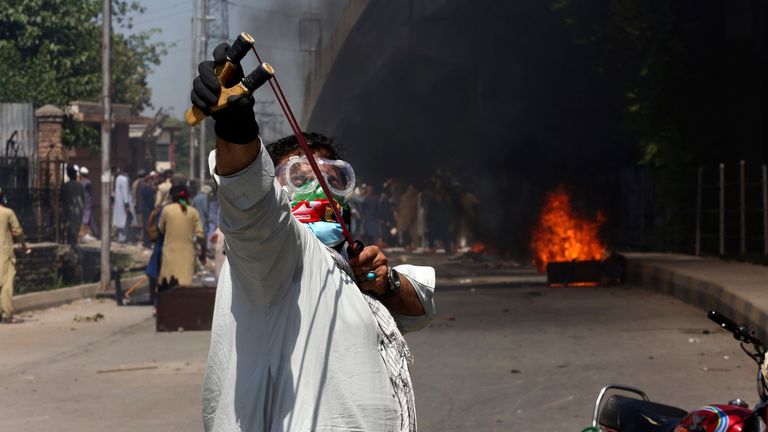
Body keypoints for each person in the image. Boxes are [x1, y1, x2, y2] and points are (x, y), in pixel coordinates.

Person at [191, 43, 436, 431]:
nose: (320, 190)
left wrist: (384, 283)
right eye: (299, 179)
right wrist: (235, 128)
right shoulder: (278, 254)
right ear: (279, 192)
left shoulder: (345, 268)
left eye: (332, 179)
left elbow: (420, 306)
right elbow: (251, 205)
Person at [157, 185, 206, 287]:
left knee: (168, 287)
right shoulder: (193, 212)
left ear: (171, 197)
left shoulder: (166, 210)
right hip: (187, 256)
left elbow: (160, 230)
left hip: (169, 254)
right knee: (184, 287)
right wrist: (203, 253)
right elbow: (201, 236)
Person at [0, 187, 28, 324]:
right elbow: (18, 231)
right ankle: (6, 314)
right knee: (6, 283)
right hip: (4, 252)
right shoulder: (7, 212)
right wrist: (23, 245)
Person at [112, 166, 136, 243]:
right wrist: (127, 205)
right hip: (125, 203)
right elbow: (125, 193)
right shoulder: (125, 180)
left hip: (119, 203)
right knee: (125, 221)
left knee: (120, 221)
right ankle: (123, 238)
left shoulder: (118, 178)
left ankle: (120, 237)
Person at [62, 164, 84, 245]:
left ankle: (71, 244)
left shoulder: (66, 185)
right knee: (75, 229)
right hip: (78, 211)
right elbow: (83, 198)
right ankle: (73, 245)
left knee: (70, 229)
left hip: (69, 210)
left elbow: (62, 198)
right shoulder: (79, 185)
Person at [78, 166, 98, 240]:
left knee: (88, 219)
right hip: (86, 203)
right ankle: (89, 234)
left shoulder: (85, 183)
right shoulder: (86, 182)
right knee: (87, 219)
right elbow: (92, 193)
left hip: (87, 203)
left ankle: (90, 234)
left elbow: (91, 193)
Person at [137, 171, 157, 248]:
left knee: (145, 225)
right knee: (148, 225)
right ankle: (147, 242)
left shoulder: (143, 188)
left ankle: (146, 242)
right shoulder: (148, 189)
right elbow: (151, 201)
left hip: (145, 209)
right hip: (148, 209)